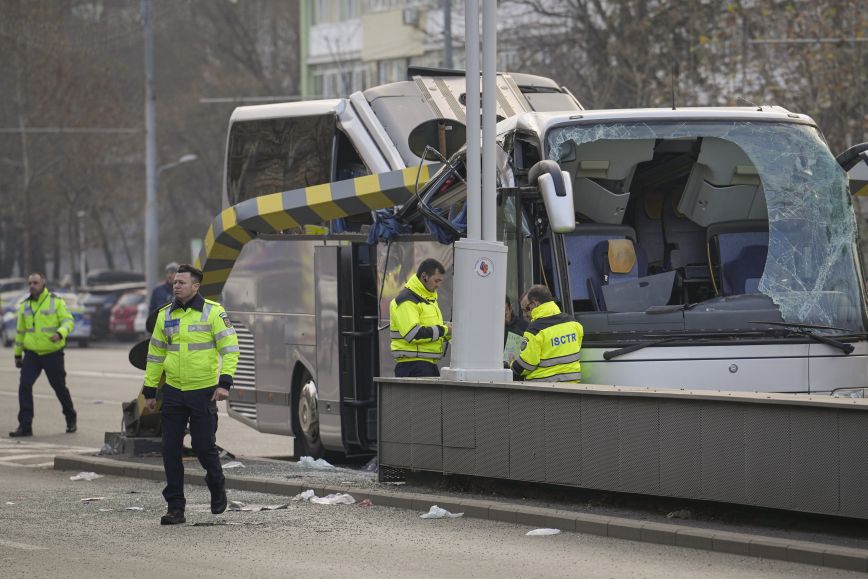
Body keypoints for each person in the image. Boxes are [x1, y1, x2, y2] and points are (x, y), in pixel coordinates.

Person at [142, 263, 239, 525]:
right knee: (169, 449)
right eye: (175, 282)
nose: (176, 285)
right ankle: (175, 507)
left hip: (203, 392)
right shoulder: (164, 314)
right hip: (173, 390)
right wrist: (149, 390)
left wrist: (224, 384)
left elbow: (230, 349)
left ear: (196, 286)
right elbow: (155, 355)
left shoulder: (213, 313)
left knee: (204, 447)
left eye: (182, 282)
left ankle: (217, 484)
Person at [10, 273, 77, 437]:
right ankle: (25, 426)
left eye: (35, 282)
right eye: (30, 283)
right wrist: (17, 355)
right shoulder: (24, 305)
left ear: (43, 283)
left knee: (59, 387)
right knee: (24, 385)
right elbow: (20, 332)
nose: (32, 285)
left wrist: (60, 333)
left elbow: (68, 321)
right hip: (31, 353)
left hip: (52, 353)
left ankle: (71, 418)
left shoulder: (56, 301)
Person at [389, 258, 452, 377]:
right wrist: (444, 330)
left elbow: (429, 333)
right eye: (436, 280)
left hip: (425, 364)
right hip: (413, 366)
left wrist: (447, 333)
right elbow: (413, 333)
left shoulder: (428, 299)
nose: (438, 285)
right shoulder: (407, 300)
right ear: (424, 277)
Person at [511, 284, 584, 383]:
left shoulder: (534, 331)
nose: (525, 315)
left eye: (526, 309)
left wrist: (510, 366)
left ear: (535, 304)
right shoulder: (574, 324)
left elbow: (527, 365)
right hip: (572, 387)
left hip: (544, 390)